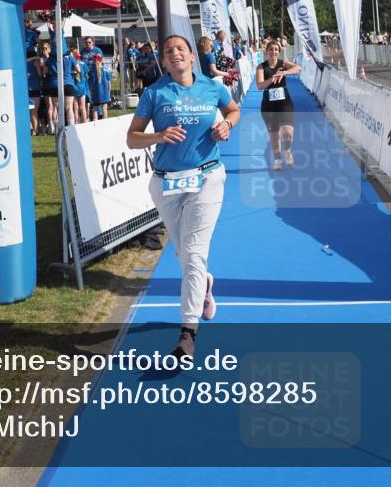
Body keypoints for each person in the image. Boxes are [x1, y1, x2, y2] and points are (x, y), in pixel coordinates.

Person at [127, 35, 241, 358]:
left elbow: (233, 110)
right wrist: (159, 136)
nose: (175, 53)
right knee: (185, 255)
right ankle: (203, 284)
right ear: (164, 61)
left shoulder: (212, 87)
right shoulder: (154, 93)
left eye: (180, 49)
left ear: (192, 56)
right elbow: (132, 139)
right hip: (166, 184)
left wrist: (227, 125)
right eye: (168, 51)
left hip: (207, 178)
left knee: (192, 254)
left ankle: (187, 332)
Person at [256, 40, 302, 170]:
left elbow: (298, 68)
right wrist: (273, 78)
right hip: (269, 106)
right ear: (266, 51)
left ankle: (287, 151)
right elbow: (259, 85)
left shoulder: (283, 64)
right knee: (275, 135)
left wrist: (284, 72)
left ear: (279, 52)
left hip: (285, 103)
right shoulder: (261, 67)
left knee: (288, 132)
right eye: (271, 49)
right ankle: (277, 159)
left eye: (276, 49)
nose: (273, 52)